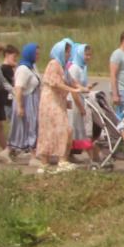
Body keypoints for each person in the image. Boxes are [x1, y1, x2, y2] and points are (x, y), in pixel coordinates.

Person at [36, 38, 76, 173]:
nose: (68, 55)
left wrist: (82, 88)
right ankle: (52, 161)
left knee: (64, 129)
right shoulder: (54, 64)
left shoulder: (63, 66)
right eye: (67, 52)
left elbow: (71, 82)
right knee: (58, 128)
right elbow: (56, 83)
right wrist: (73, 90)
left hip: (58, 100)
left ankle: (60, 159)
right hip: (50, 101)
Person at [9, 43, 42, 159]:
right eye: (36, 54)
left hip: (33, 101)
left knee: (32, 127)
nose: (38, 56)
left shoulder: (32, 67)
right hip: (26, 101)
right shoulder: (23, 69)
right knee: (24, 128)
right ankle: (27, 153)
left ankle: (28, 151)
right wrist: (20, 106)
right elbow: (18, 88)